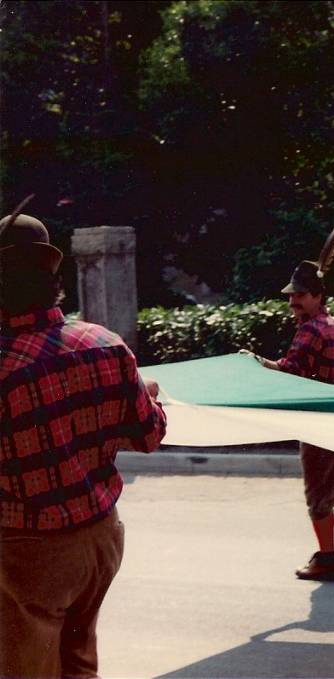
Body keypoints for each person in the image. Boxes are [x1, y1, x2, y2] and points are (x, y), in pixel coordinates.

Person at [0, 207, 167, 677]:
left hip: (31, 550)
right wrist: (146, 396)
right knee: (78, 663)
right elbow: (149, 433)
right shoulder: (105, 345)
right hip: (99, 540)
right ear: (53, 282)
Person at [251, 260, 334, 581]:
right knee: (332, 486)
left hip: (320, 422)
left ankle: (327, 560)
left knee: (317, 495)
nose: (292, 302)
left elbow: (291, 371)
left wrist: (257, 364)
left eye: (299, 295)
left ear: (316, 295)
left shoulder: (311, 330)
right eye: (291, 296)